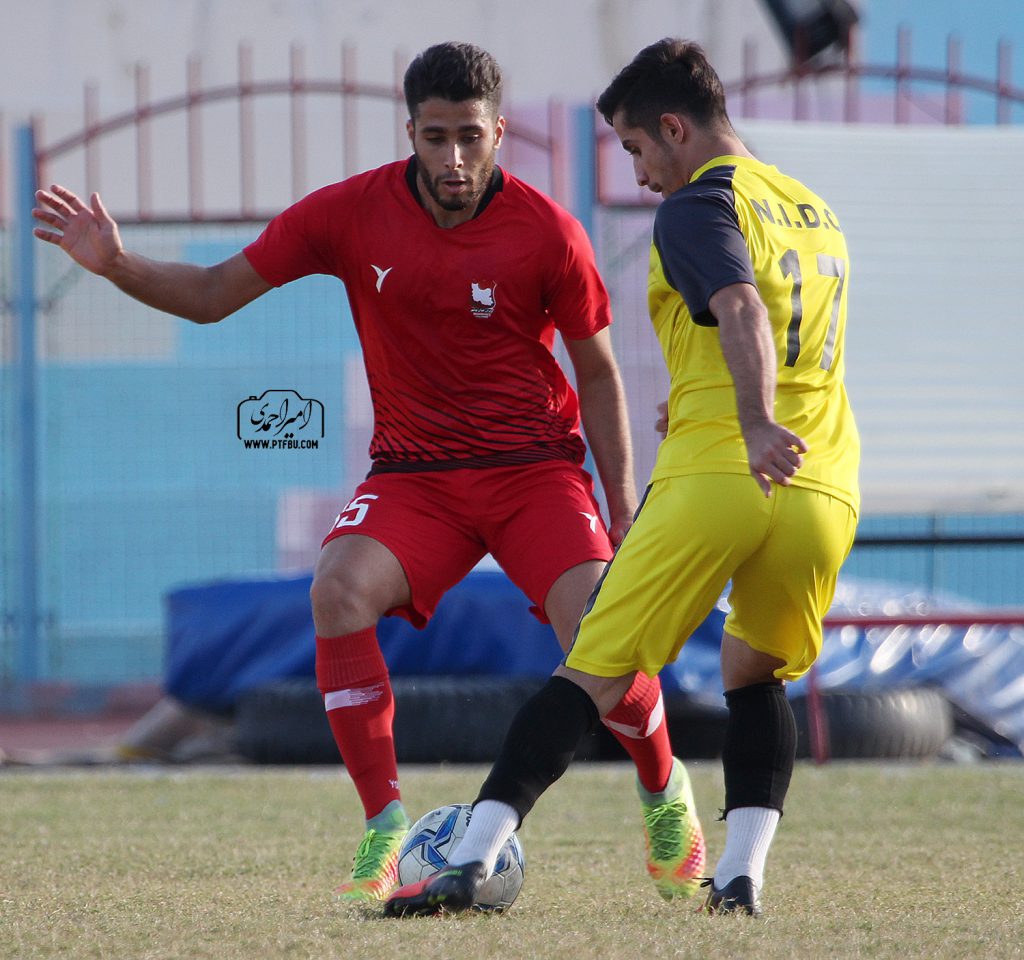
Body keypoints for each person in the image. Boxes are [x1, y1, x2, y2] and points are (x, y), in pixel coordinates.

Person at [33, 42, 697, 904]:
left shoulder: (549, 232)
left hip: (533, 470)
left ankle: (662, 789)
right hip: (416, 476)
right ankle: (385, 827)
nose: (453, 159)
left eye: (470, 137)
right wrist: (116, 264)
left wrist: (620, 507)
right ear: (409, 133)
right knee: (337, 591)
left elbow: (599, 374)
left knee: (600, 628)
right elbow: (210, 293)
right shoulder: (350, 213)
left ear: (499, 132)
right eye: (434, 137)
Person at [384, 37, 860, 919]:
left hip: (725, 474)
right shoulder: (811, 208)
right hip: (823, 483)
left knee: (592, 667)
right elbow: (792, 338)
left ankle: (472, 859)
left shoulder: (696, 202)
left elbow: (742, 308)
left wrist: (746, 422)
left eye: (639, 150)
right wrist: (720, 400)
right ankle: (742, 877)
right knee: (756, 673)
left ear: (675, 129)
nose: (641, 175)